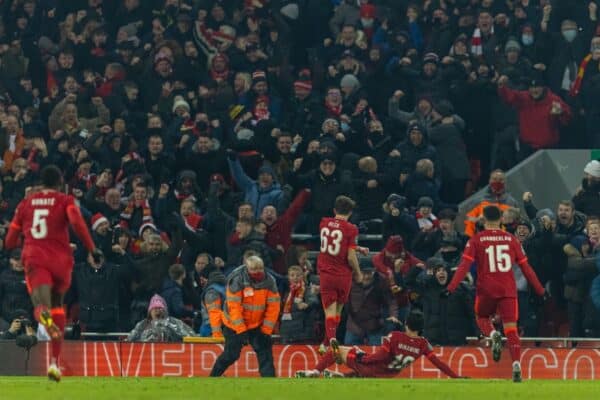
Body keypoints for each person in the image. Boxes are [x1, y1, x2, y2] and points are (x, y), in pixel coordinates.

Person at [4, 165, 101, 382]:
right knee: (58, 307)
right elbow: (77, 221)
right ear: (59, 183)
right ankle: (55, 363)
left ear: (41, 183)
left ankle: (47, 323)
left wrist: (22, 240)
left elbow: (9, 241)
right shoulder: (65, 200)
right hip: (62, 261)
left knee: (40, 305)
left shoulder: (25, 204)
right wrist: (92, 248)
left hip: (36, 259)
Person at [445, 205, 546, 382]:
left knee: (481, 317)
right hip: (508, 290)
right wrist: (540, 290)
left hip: (486, 290)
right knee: (511, 329)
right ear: (501, 220)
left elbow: (464, 267)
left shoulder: (476, 240)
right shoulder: (511, 239)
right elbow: (527, 269)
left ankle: (492, 335)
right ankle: (516, 365)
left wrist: (450, 287)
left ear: (483, 219)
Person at [295, 310, 463, 379]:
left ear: (406, 324)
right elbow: (438, 363)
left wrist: (363, 358)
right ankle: (342, 378)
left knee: (336, 351)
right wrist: (456, 376)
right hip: (389, 375)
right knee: (357, 359)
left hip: (373, 368)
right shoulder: (423, 344)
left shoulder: (396, 336)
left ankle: (315, 372)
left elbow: (381, 356)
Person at [210, 256, 281, 377]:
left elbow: (273, 307)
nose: (257, 272)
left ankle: (270, 382)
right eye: (254, 269)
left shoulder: (270, 281)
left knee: (265, 352)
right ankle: (213, 376)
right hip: (233, 324)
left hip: (256, 324)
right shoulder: (237, 280)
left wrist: (266, 331)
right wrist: (241, 330)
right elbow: (234, 308)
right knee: (231, 355)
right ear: (247, 268)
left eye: (260, 268)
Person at [317, 195, 368, 354]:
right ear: (350, 212)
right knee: (337, 312)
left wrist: (357, 248)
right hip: (343, 275)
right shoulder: (351, 228)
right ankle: (326, 343)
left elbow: (334, 242)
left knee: (329, 312)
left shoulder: (324, 223)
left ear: (334, 210)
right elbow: (350, 256)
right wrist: (358, 274)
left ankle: (330, 339)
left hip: (327, 273)